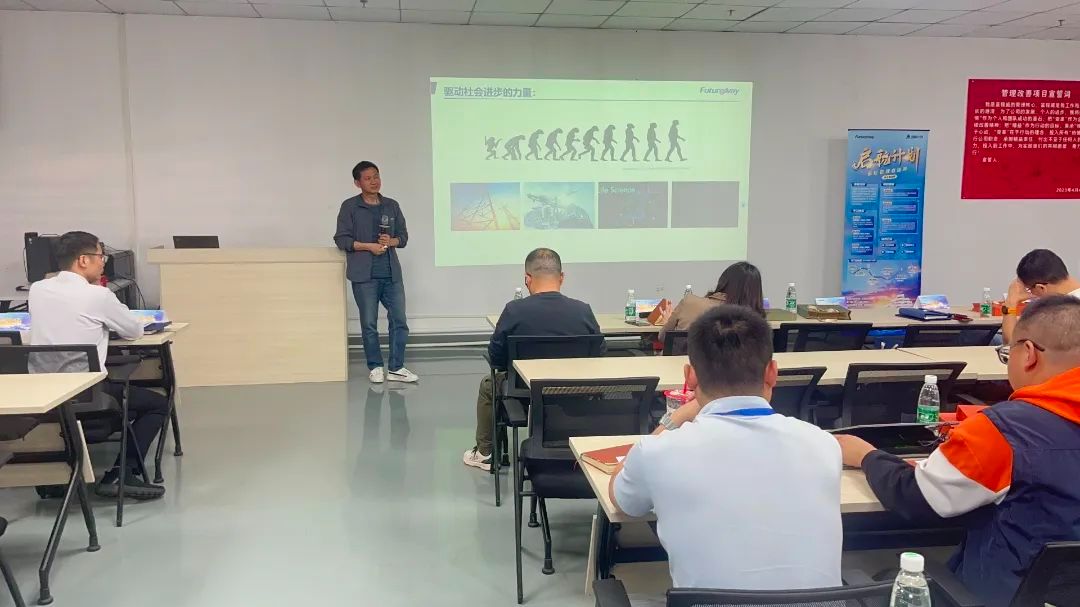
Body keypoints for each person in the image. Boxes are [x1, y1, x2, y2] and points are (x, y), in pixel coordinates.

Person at [836, 294, 1080, 607]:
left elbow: (918, 496)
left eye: (1008, 352)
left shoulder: (1004, 430)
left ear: (1029, 354)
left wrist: (865, 456)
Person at [610, 305, 842, 591]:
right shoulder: (823, 444)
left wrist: (676, 417)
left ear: (690, 377)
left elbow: (622, 499)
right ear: (772, 373)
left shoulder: (657, 453)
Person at [29, 231, 168, 500]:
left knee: (125, 401)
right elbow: (133, 330)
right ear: (83, 260)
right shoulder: (98, 296)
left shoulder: (38, 289)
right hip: (85, 394)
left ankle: (55, 476)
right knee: (157, 404)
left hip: (44, 393)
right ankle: (121, 474)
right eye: (100, 256)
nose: (103, 262)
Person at [463, 248, 604, 470]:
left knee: (488, 385)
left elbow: (496, 357)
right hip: (574, 392)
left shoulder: (514, 311)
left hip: (524, 394)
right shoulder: (583, 311)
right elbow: (599, 356)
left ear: (527, 279)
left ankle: (485, 453)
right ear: (561, 277)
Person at [334, 161, 417, 384]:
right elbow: (342, 239)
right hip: (364, 276)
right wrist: (368, 246)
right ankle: (376, 366)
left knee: (399, 320)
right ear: (357, 183)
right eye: (368, 178)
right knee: (369, 323)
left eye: (376, 176)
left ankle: (396, 368)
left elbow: (403, 237)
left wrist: (392, 241)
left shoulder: (391, 205)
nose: (374, 181)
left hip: (391, 274)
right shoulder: (350, 207)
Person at [658, 261, 764, 344]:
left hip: (684, 363)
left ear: (724, 281)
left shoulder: (689, 302)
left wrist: (668, 321)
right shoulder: (754, 321)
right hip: (729, 366)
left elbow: (663, 337)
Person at [1002, 248, 1080, 342]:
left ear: (1041, 288)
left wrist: (1011, 302)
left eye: (1029, 290)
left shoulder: (1062, 312)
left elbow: (1014, 344)